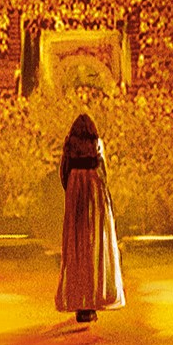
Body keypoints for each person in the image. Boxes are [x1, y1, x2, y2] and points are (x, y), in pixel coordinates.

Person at [55, 114, 126, 322]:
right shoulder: (97, 144)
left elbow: (64, 171)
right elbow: (103, 172)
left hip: (76, 191)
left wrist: (72, 190)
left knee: (78, 247)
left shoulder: (70, 145)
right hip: (94, 193)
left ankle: (80, 302)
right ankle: (93, 299)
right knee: (94, 247)